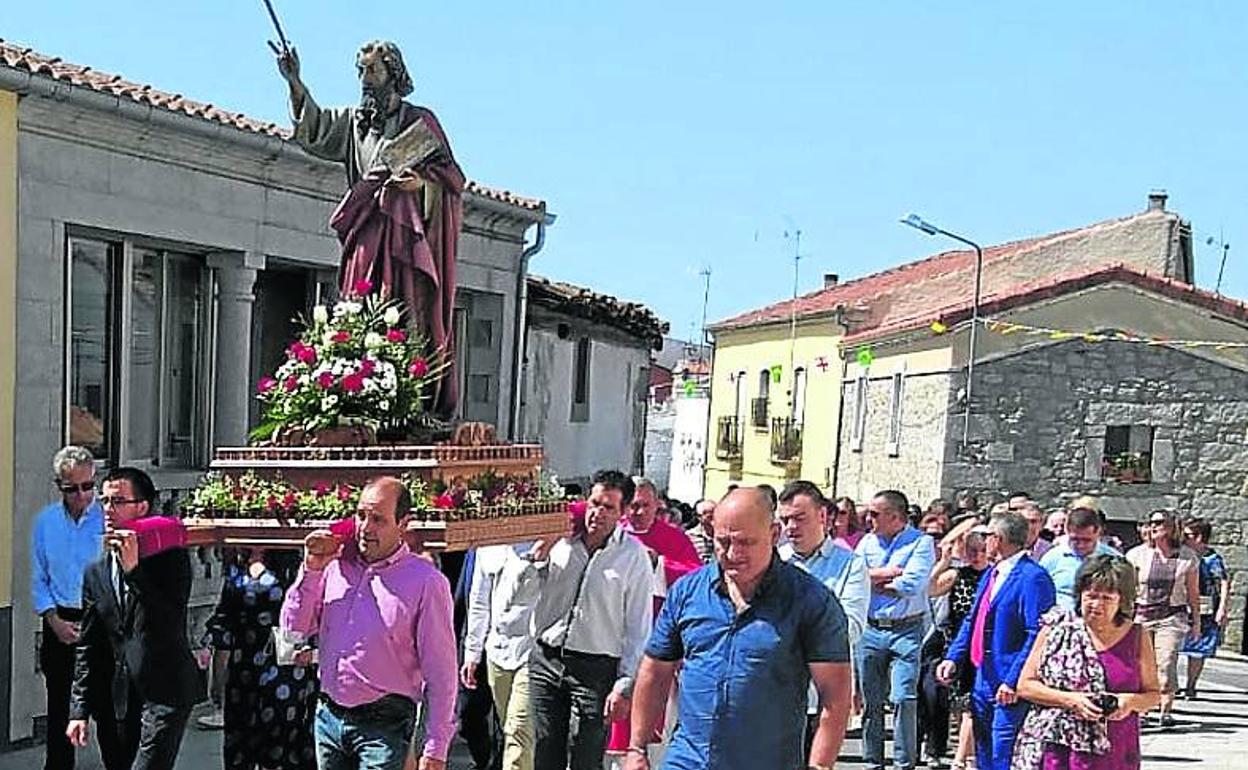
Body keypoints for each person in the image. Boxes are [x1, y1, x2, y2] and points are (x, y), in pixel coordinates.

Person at [275, 40, 465, 416]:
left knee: (406, 311)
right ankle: (357, 388)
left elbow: (452, 181)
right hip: (365, 233)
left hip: (406, 237)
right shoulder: (353, 122)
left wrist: (419, 187)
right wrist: (294, 81)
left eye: (372, 71)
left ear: (393, 74)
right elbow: (314, 129)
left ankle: (410, 401)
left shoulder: (420, 123)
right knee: (359, 307)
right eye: (360, 71)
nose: (364, 80)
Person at [625, 487, 853, 770]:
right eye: (723, 541)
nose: (732, 553)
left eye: (745, 542)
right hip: (689, 759)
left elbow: (836, 694)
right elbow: (655, 669)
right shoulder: (688, 593)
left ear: (773, 534)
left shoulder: (810, 601)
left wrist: (819, 765)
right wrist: (636, 748)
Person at [281, 476, 457, 770]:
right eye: (361, 515)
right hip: (328, 717)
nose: (365, 527)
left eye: (378, 519)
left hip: (384, 724)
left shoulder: (427, 582)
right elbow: (293, 629)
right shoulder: (334, 566)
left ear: (403, 523)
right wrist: (310, 569)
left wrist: (436, 748)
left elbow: (441, 672)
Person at [67, 467, 202, 770]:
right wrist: (79, 711)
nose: (107, 510)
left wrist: (135, 573)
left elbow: (169, 620)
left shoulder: (170, 559)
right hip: (117, 698)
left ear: (142, 507)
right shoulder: (97, 571)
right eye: (104, 501)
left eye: (117, 502)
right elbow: (88, 645)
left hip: (165, 691)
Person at [521, 470, 653, 770]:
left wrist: (625, 683)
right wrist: (539, 554)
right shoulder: (562, 542)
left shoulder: (633, 557)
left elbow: (638, 627)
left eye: (608, 507)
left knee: (587, 754)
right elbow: (524, 592)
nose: (598, 513)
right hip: (547, 658)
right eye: (594, 503)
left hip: (596, 667)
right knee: (545, 751)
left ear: (622, 513)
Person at [1013, 555, 1160, 770]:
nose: (1096, 605)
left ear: (1122, 600)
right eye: (1090, 595)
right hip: (1058, 746)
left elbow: (1153, 694)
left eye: (1107, 598)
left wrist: (1128, 702)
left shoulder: (1137, 635)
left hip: (1115, 748)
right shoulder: (1056, 629)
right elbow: (1025, 685)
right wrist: (1071, 700)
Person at [937, 512, 1056, 770]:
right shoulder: (993, 573)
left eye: (988, 535)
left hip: (1008, 679)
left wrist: (1014, 680)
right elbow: (973, 619)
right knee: (983, 750)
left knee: (1004, 751)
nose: (984, 540)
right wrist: (953, 657)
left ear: (998, 539)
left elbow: (1037, 633)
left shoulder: (1033, 577)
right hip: (983, 676)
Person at [605, 478, 702, 767]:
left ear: (657, 505)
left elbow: (694, 576)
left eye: (645, 506)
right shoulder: (613, 534)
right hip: (613, 635)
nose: (638, 512)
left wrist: (659, 562)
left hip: (656, 636)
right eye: (632, 506)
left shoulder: (673, 538)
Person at [202, 548, 318, 770]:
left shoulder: (293, 563)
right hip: (243, 667)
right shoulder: (237, 562)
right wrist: (217, 678)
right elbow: (226, 620)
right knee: (240, 746)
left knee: (282, 745)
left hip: (286, 668)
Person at [776, 481, 868, 760]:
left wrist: (791, 629)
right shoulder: (773, 563)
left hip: (820, 699)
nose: (791, 527)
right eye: (785, 520)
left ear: (823, 517)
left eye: (799, 518)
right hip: (773, 693)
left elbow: (851, 628)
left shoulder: (851, 565)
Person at [32, 445, 105, 770]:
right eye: (72, 488)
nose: (81, 495)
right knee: (60, 707)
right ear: (59, 486)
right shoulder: (46, 523)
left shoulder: (107, 519)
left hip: (101, 620)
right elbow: (39, 577)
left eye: (88, 486)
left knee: (107, 707)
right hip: (61, 620)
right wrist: (53, 620)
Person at [856, 490, 937, 770]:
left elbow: (912, 584)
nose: (869, 519)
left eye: (875, 514)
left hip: (906, 629)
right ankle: (872, 761)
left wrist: (877, 579)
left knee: (904, 697)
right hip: (871, 628)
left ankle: (904, 763)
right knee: (871, 700)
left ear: (895, 516)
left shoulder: (921, 543)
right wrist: (890, 572)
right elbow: (856, 579)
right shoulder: (867, 543)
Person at [463, 543, 539, 770]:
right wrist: (472, 653)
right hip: (497, 651)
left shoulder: (552, 539)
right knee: (510, 729)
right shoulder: (488, 545)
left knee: (518, 729)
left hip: (533, 653)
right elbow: (479, 602)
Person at [1125, 510, 1200, 728]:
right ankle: (1144, 709)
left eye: (1159, 522)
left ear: (1171, 526)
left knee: (1165, 663)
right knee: (1142, 664)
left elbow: (1192, 592)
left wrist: (1196, 621)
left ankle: (1165, 709)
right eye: (1151, 522)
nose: (1154, 526)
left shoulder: (1187, 557)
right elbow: (1128, 589)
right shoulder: (1136, 555)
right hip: (1142, 615)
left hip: (1172, 616)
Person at [929, 526, 991, 770]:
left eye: (981, 551)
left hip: (982, 646)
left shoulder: (995, 575)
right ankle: (969, 755)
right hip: (957, 646)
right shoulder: (958, 575)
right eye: (972, 551)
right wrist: (943, 562)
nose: (976, 556)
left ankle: (960, 760)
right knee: (960, 707)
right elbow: (931, 588)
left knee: (970, 706)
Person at [1180, 519, 1230, 699]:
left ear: (1199, 537)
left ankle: (1191, 686)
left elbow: (1223, 582)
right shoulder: (1182, 555)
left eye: (1188, 536)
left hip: (1205, 609)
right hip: (1181, 606)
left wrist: (1222, 608)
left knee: (1198, 649)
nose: (1183, 539)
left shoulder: (1212, 559)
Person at [1040, 508, 1120, 612]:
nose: (1081, 545)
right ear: (1067, 531)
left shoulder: (1114, 559)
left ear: (1098, 532)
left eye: (1087, 540)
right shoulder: (1052, 558)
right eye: (1075, 539)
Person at [684, 499, 717, 565]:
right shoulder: (689, 537)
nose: (712, 516)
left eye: (714, 512)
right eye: (706, 513)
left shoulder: (726, 535)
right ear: (698, 517)